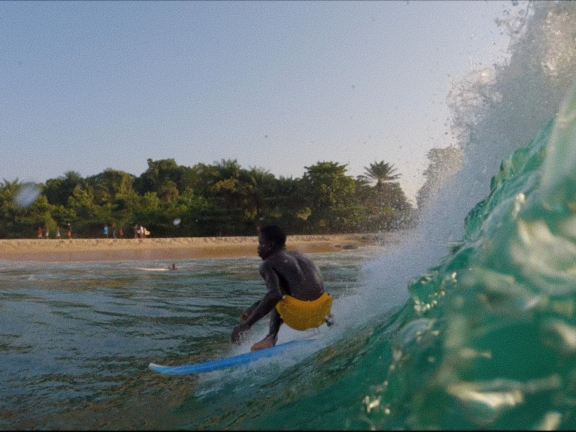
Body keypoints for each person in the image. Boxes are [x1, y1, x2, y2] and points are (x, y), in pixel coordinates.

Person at [231, 225, 333, 351]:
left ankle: (271, 337)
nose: (258, 248)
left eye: (261, 243)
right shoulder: (300, 256)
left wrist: (246, 325)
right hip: (323, 312)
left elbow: (275, 295)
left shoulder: (268, 264)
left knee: (276, 296)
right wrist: (254, 307)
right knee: (285, 293)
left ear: (270, 244)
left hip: (303, 316)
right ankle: (332, 324)